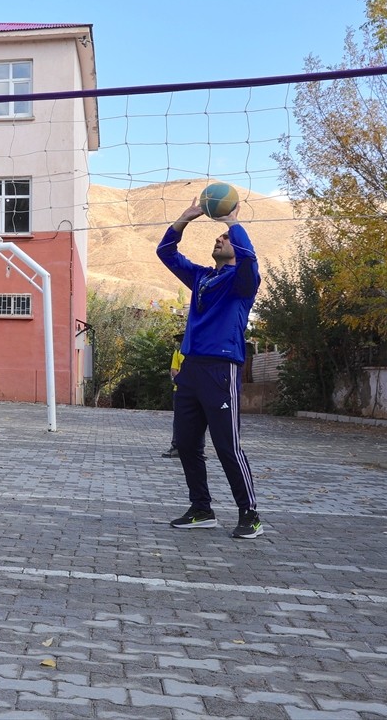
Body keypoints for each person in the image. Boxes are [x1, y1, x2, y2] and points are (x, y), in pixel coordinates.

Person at [156, 197, 262, 539]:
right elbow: (166, 253)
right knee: (187, 444)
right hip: (191, 370)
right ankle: (202, 509)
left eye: (225, 238)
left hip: (221, 369)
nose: (219, 238)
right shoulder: (201, 277)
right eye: (219, 236)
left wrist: (232, 223)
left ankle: (250, 514)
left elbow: (250, 258)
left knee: (227, 445)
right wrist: (185, 217)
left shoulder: (243, 282)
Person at [160, 334, 185, 458]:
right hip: (179, 389)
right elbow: (174, 369)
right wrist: (182, 379)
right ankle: (176, 446)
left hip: (196, 390)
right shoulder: (177, 352)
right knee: (178, 419)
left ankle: (198, 449)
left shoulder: (198, 351)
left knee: (199, 420)